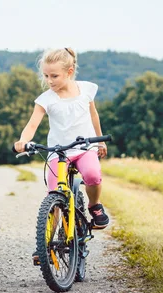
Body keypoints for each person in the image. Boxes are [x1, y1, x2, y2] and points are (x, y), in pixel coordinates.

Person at [13, 47, 110, 229]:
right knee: (54, 193)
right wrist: (23, 140)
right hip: (59, 151)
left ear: (69, 72)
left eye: (54, 76)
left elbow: (94, 115)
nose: (49, 81)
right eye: (46, 76)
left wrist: (99, 140)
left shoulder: (86, 90)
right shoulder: (45, 99)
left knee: (92, 175)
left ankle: (94, 205)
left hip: (84, 148)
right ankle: (47, 242)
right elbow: (32, 124)